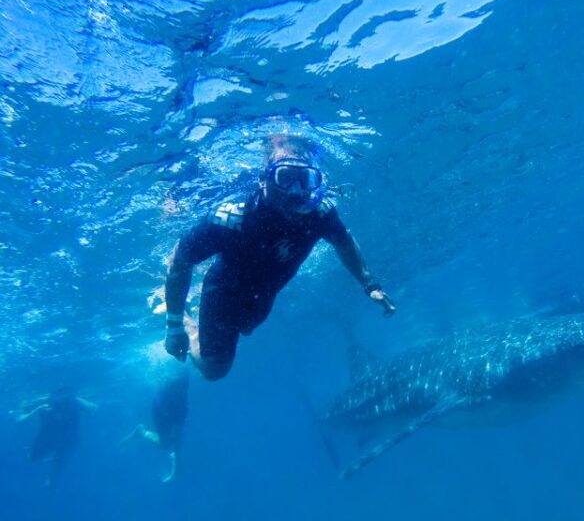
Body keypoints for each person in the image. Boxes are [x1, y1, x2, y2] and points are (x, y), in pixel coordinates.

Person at [163, 133, 395, 380]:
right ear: (264, 179)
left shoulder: (320, 213)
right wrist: (175, 325)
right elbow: (179, 260)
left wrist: (369, 284)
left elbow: (343, 241)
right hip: (223, 293)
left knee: (245, 328)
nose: (295, 191)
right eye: (285, 177)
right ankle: (189, 321)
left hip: (261, 297)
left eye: (305, 179)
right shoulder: (231, 219)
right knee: (215, 369)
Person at [16, 387, 97, 488]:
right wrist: (37, 410)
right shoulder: (41, 402)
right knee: (31, 458)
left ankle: (50, 482)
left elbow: (94, 408)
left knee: (59, 465)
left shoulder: (73, 401)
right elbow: (20, 421)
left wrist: (76, 400)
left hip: (69, 437)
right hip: (48, 435)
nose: (57, 401)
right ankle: (48, 468)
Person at [120, 371, 189, 483]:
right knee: (167, 442)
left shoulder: (183, 366)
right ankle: (141, 432)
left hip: (175, 402)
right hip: (162, 407)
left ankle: (177, 464)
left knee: (173, 439)